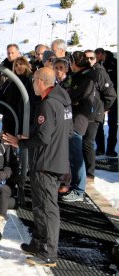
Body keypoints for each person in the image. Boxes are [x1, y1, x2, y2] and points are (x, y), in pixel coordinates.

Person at [3, 67, 73, 267]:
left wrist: (20, 143)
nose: (32, 85)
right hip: (57, 160)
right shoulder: (63, 100)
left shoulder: (48, 104)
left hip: (46, 163)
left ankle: (48, 252)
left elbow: (44, 137)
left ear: (41, 82)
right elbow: (63, 132)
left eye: (34, 81)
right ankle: (39, 243)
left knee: (47, 209)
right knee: (41, 206)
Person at [61, 51, 96, 202]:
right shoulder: (77, 76)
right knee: (72, 155)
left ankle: (79, 189)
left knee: (76, 156)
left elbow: (72, 96)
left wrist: (70, 98)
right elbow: (67, 92)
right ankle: (75, 186)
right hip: (72, 118)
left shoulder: (87, 78)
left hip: (77, 120)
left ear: (75, 63)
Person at [82, 50, 116, 183]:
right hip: (83, 113)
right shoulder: (84, 71)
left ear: (96, 59)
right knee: (82, 143)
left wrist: (103, 108)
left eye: (92, 58)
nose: (89, 60)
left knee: (88, 143)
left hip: (94, 113)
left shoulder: (99, 72)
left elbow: (111, 94)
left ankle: (90, 174)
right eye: (86, 58)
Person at [0, 56, 40, 135]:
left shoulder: (32, 80)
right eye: (16, 65)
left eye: (21, 64)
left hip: (26, 119)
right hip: (10, 118)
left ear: (26, 65)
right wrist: (5, 111)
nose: (18, 67)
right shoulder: (10, 81)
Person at [94, 47, 118, 157]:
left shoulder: (114, 63)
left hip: (113, 97)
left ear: (102, 54)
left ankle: (111, 149)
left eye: (97, 56)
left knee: (112, 124)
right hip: (100, 98)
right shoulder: (96, 65)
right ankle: (100, 148)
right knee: (99, 123)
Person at [0, 44, 21, 114]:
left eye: (12, 53)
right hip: (5, 106)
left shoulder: (24, 67)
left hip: (19, 107)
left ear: (18, 53)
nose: (10, 55)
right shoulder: (1, 68)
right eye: (8, 53)